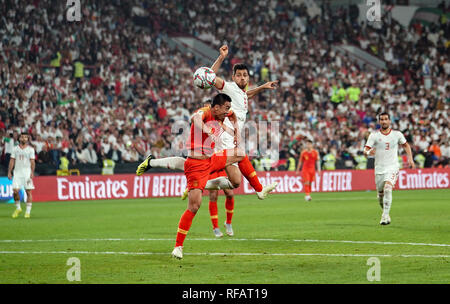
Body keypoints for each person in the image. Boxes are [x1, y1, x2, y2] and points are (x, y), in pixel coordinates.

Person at [206, 45, 279, 237]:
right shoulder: (229, 88)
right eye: (239, 75)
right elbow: (210, 77)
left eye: (245, 75)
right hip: (224, 136)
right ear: (233, 77)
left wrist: (263, 87)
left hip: (233, 136)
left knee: (235, 183)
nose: (243, 78)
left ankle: (198, 181)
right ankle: (259, 189)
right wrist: (221, 57)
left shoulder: (241, 94)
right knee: (240, 157)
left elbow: (246, 95)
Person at [364, 112, 415, 225]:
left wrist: (410, 159)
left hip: (392, 166)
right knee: (381, 196)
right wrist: (368, 152)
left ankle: (384, 216)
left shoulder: (397, 134)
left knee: (388, 188)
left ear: (389, 121)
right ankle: (386, 213)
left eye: (386, 119)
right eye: (381, 119)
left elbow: (406, 145)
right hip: (379, 168)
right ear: (379, 122)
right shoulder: (374, 135)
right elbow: (365, 150)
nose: (384, 121)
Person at [8, 132, 36, 219]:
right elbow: (12, 161)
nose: (24, 138)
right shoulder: (15, 149)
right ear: (19, 138)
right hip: (17, 172)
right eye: (22, 137)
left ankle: (27, 212)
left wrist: (32, 172)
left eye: (25, 137)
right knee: (15, 191)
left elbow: (32, 162)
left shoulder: (31, 149)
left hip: (27, 172)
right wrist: (9, 171)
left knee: (28, 192)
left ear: (27, 139)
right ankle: (18, 208)